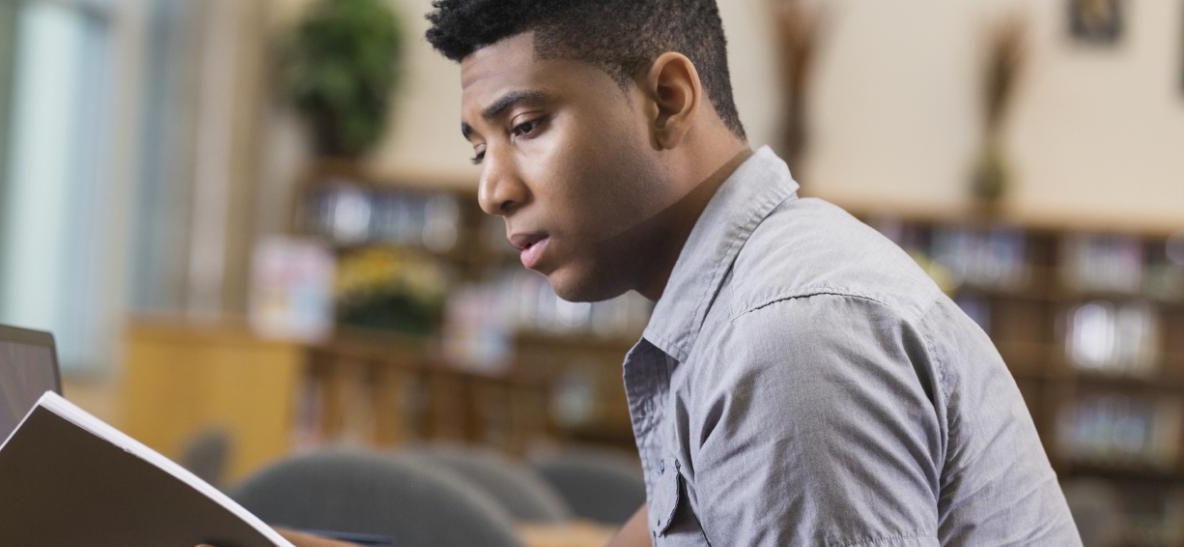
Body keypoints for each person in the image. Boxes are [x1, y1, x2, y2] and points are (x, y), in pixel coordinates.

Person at [419, 0, 1080, 545]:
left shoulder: (787, 335)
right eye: (480, 149)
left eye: (526, 125)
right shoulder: (735, 301)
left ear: (668, 100)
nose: (492, 190)